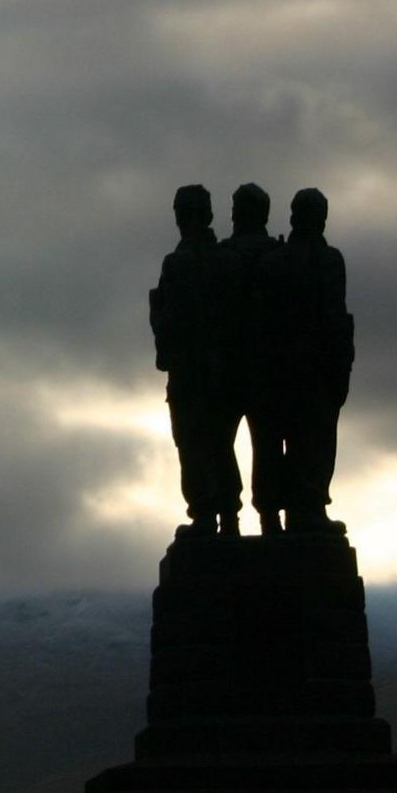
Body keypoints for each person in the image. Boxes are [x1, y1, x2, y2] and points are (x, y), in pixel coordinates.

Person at [258, 187, 354, 535]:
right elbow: (334, 316)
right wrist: (340, 364)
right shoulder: (329, 260)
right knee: (313, 440)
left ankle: (295, 510)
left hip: (281, 366)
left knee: (289, 443)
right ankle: (307, 510)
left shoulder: (273, 261)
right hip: (313, 366)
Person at [151, 184, 241, 537]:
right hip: (223, 370)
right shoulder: (229, 261)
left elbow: (168, 319)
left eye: (182, 212)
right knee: (219, 444)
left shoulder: (178, 264)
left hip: (193, 371)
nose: (179, 220)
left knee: (195, 443)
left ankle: (206, 515)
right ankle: (226, 516)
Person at [222, 183, 285, 535]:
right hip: (267, 367)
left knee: (220, 443)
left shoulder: (222, 255)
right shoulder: (279, 256)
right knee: (268, 444)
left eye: (237, 208)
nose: (232, 214)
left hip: (230, 366)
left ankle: (228, 517)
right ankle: (270, 516)